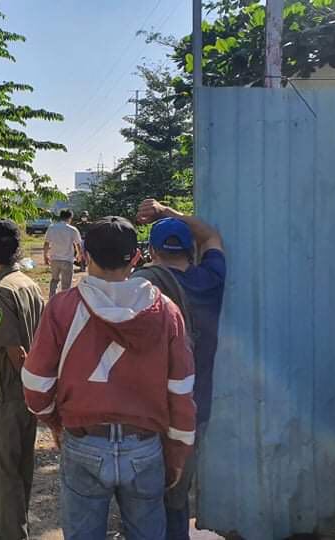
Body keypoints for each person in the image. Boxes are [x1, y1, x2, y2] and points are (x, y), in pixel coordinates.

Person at [22, 216, 196, 540]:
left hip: (84, 440)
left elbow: (35, 385)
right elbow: (182, 391)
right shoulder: (166, 311)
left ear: (84, 255)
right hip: (145, 447)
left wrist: (55, 422)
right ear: (136, 257)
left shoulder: (62, 307)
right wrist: (178, 453)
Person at [134, 199, 226, 540]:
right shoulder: (211, 280)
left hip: (146, 409)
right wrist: (168, 212)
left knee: (143, 497)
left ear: (152, 252)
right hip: (193, 407)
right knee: (176, 494)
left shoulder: (143, 286)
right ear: (191, 251)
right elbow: (211, 235)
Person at [0, 219, 46, 540]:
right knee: (19, 469)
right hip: (25, 395)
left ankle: (8, 535)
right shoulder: (28, 284)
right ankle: (12, 531)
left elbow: (15, 350)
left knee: (1, 476)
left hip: (4, 397)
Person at [43, 210, 84, 297]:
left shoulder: (52, 227)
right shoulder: (72, 229)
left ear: (60, 217)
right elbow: (78, 244)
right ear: (70, 218)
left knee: (54, 280)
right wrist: (79, 255)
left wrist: (45, 256)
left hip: (54, 259)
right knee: (66, 285)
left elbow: (46, 243)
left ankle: (52, 299)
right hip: (67, 260)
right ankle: (64, 301)